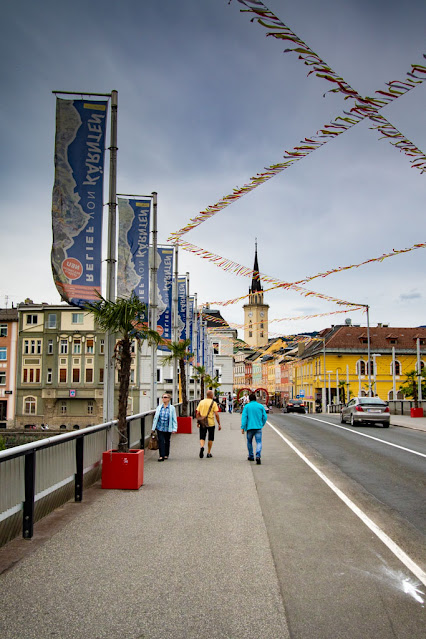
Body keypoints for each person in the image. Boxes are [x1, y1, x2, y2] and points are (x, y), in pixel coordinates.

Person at [241, 393, 267, 465]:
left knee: (249, 442)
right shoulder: (260, 406)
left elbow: (244, 418)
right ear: (255, 399)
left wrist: (243, 427)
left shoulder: (247, 406)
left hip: (249, 427)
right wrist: (262, 424)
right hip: (258, 427)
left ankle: (251, 456)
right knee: (259, 442)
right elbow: (265, 417)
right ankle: (258, 455)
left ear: (249, 399)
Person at [151, 393, 177, 461]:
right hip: (160, 427)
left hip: (168, 427)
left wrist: (174, 428)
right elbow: (155, 418)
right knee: (161, 441)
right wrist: (153, 428)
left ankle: (166, 454)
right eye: (162, 397)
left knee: (167, 441)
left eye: (165, 397)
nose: (163, 399)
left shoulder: (172, 408)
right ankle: (161, 456)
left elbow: (174, 419)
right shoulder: (159, 407)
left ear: (169, 399)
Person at [196, 389, 221, 458]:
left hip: (203, 422)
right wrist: (219, 423)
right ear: (211, 395)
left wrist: (198, 422)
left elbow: (197, 413)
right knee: (210, 438)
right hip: (211, 423)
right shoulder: (214, 403)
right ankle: (208, 452)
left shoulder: (201, 402)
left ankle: (202, 447)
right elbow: (216, 414)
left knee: (202, 436)